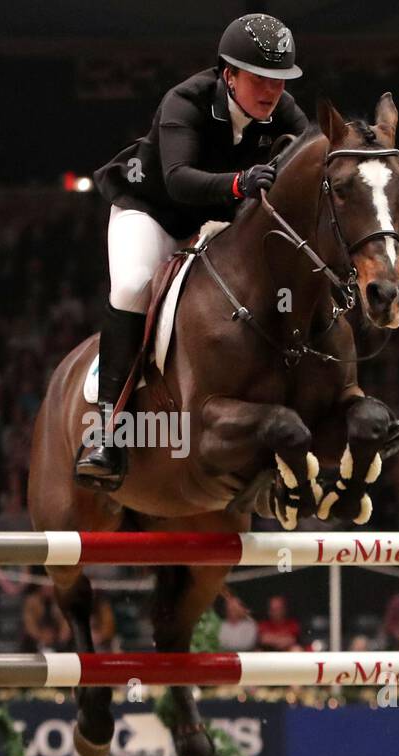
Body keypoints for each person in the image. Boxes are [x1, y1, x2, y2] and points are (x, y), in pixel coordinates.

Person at [77, 13, 309, 488]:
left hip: (218, 224)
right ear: (229, 75)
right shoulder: (184, 101)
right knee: (133, 285)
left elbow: (308, 163)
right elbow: (180, 180)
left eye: (280, 81)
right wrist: (241, 182)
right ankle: (107, 432)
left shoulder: (283, 112)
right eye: (260, 78)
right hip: (154, 213)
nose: (271, 91)